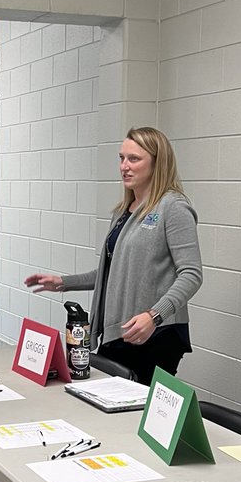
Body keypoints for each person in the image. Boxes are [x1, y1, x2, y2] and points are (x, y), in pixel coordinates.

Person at [25, 127, 203, 386]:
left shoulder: (173, 208)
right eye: (121, 158)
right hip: (121, 330)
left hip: (155, 333)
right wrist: (63, 282)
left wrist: (154, 316)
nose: (124, 166)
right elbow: (112, 272)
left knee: (130, 413)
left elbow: (192, 274)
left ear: (157, 162)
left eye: (134, 159)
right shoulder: (123, 211)